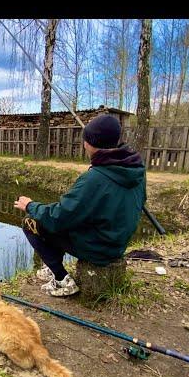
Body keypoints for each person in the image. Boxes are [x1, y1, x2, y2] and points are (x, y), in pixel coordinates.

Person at [13, 114, 146, 297]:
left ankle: (61, 280)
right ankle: (53, 268)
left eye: (85, 140)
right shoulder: (135, 169)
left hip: (98, 249)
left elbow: (57, 218)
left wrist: (30, 205)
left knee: (31, 222)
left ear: (90, 143)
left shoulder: (94, 179)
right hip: (116, 243)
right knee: (62, 218)